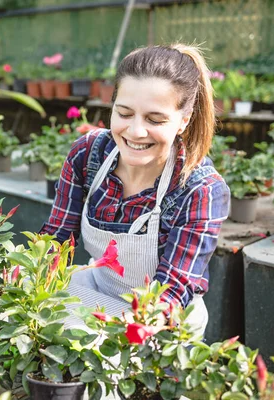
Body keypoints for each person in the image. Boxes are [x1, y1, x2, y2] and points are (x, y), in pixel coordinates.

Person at [40, 44, 230, 335]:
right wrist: (29, 281)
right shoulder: (88, 154)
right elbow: (56, 237)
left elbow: (174, 288)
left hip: (163, 321)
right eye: (125, 113)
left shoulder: (200, 189)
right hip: (99, 294)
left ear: (184, 121)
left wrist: (130, 330)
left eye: (155, 120)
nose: (136, 131)